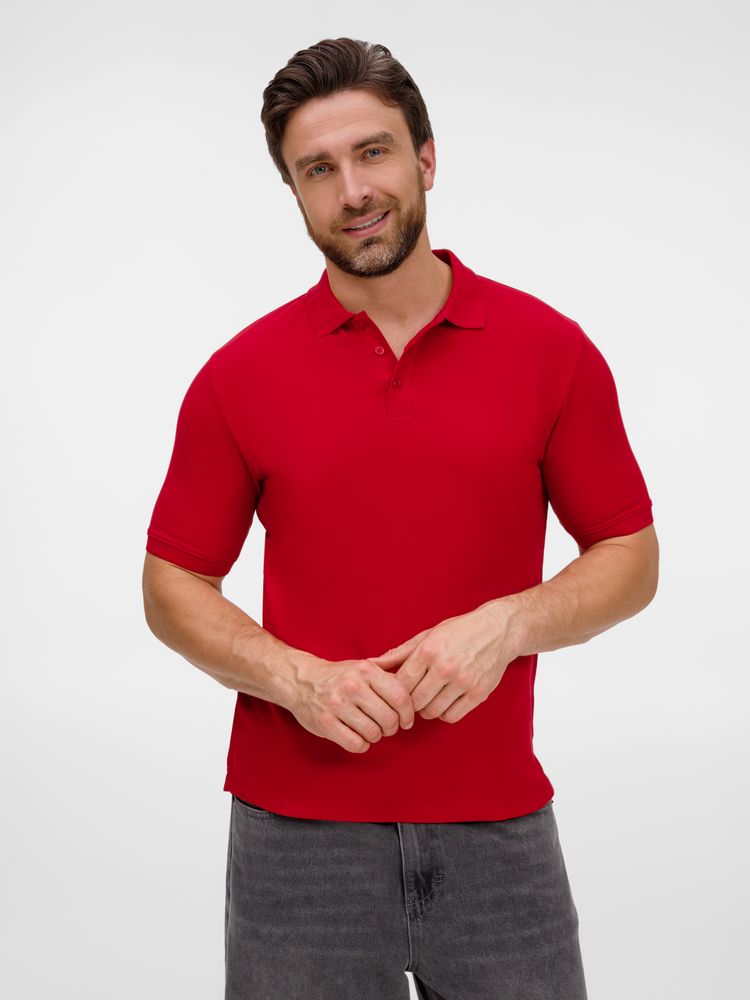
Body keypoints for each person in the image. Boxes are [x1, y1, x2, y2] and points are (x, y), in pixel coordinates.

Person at [142, 36, 658, 1000]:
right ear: (294, 193)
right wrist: (294, 678)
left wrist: (507, 625)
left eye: (373, 152)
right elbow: (172, 582)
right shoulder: (238, 376)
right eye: (317, 170)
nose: (352, 191)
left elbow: (628, 551)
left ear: (426, 158)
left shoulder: (551, 351)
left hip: (499, 830)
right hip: (296, 843)